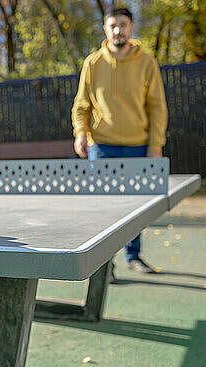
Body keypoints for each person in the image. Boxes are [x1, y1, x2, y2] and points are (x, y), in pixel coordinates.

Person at [72, 7, 168, 279]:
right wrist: (81, 132)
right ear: (105, 29)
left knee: (134, 208)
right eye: (113, 25)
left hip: (138, 145)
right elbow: (82, 105)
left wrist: (155, 144)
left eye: (123, 25)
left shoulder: (147, 62)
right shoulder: (92, 63)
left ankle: (133, 256)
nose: (118, 30)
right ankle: (105, 264)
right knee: (103, 208)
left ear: (131, 27)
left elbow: (157, 107)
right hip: (102, 147)